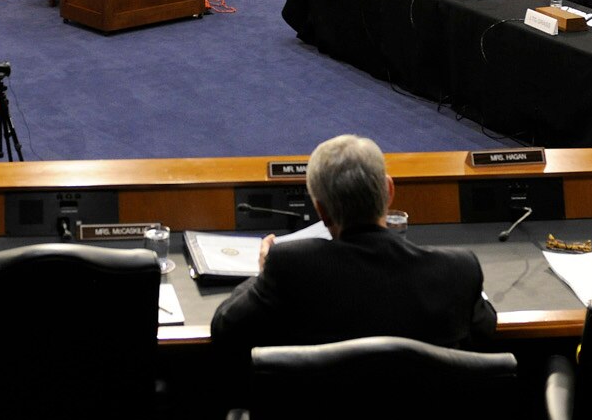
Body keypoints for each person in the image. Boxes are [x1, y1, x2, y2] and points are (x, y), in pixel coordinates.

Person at [210, 134, 494, 355]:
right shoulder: (458, 270)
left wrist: (262, 274)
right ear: (389, 191)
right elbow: (486, 331)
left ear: (321, 210)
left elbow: (225, 329)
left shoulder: (290, 267)